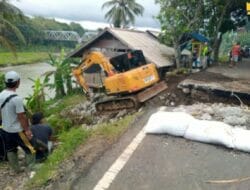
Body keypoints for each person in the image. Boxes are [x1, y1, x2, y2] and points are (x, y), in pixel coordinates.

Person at [0, 71, 35, 173]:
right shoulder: (17, 99)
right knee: (30, 149)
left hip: (5, 129)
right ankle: (31, 168)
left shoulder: (1, 94)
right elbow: (21, 117)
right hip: (18, 130)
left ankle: (16, 169)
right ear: (18, 82)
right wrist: (27, 130)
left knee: (10, 150)